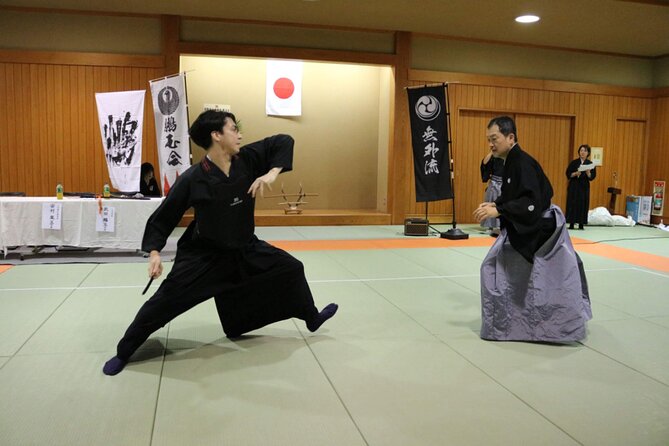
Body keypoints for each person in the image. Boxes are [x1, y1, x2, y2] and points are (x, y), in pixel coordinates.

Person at [103, 110, 338, 375]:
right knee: (164, 302)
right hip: (206, 255)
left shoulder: (247, 160)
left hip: (246, 248)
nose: (239, 134)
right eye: (232, 129)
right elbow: (166, 215)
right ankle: (124, 352)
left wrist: (271, 173)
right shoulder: (193, 178)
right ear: (216, 135)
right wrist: (155, 252)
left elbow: (284, 140)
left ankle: (311, 317)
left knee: (291, 268)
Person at [473, 116, 591, 342]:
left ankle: (511, 327)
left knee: (494, 271)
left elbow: (531, 202)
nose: (490, 144)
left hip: (542, 233)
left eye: (494, 138)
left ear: (510, 137)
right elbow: (517, 197)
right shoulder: (511, 161)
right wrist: (497, 205)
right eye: (488, 139)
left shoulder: (522, 162)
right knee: (512, 277)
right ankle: (519, 327)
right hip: (529, 227)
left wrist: (499, 210)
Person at [565, 144, 596, 230]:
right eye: (581, 150)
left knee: (583, 204)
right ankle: (571, 223)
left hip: (584, 186)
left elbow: (592, 177)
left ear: (588, 153)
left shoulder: (590, 164)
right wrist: (575, 174)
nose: (582, 152)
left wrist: (588, 173)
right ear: (579, 152)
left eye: (585, 151)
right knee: (572, 203)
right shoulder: (574, 162)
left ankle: (581, 224)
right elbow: (567, 173)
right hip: (574, 186)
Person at [479, 149, 504, 236]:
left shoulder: (509, 156)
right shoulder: (494, 155)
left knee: (500, 204)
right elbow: (484, 163)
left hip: (504, 183)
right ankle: (489, 226)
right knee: (489, 202)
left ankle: (500, 226)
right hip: (494, 182)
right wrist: (491, 152)